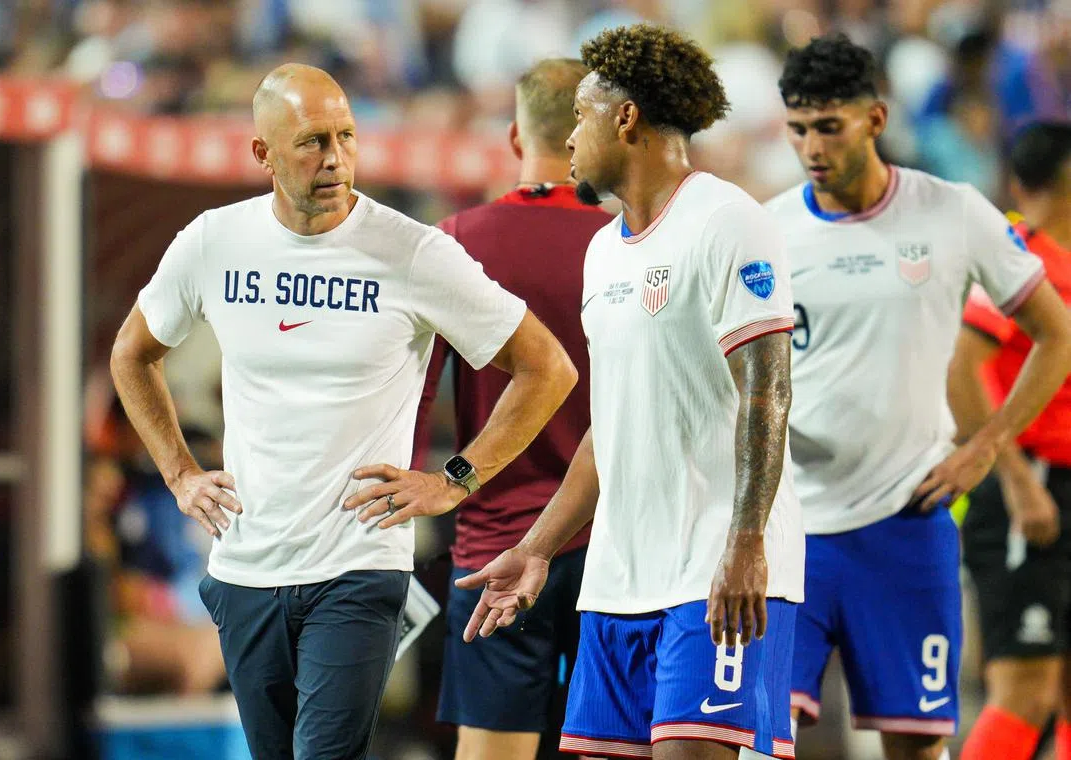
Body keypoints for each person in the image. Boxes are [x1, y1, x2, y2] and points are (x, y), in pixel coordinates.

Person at [108, 63, 578, 760]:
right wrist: (181, 474)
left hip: (359, 566)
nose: (335, 158)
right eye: (312, 142)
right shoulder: (215, 240)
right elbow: (131, 353)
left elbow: (548, 367)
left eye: (347, 137)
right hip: (247, 570)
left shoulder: (414, 252)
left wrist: (454, 479)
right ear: (262, 153)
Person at [457, 24, 805, 760]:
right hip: (618, 582)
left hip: (715, 570)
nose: (570, 138)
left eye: (582, 115)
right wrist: (538, 550)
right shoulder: (602, 250)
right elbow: (607, 428)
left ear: (626, 118)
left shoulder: (728, 219)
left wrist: (745, 542)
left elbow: (768, 391)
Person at [767, 35, 1071, 760]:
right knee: (757, 735)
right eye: (798, 128)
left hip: (908, 527)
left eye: (828, 126)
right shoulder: (766, 231)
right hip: (791, 528)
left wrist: (987, 447)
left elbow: (1055, 335)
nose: (811, 146)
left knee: (914, 745)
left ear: (875, 119)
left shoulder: (953, 212)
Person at [411, 58, 609, 760]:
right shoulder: (631, 247)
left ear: (515, 137)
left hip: (496, 542)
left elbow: (414, 394)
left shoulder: (456, 240)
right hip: (613, 550)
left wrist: (433, 484)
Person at [952, 122, 1071, 760]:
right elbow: (963, 371)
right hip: (1030, 489)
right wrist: (1019, 481)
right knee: (1025, 688)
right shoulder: (1017, 256)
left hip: (1062, 488)